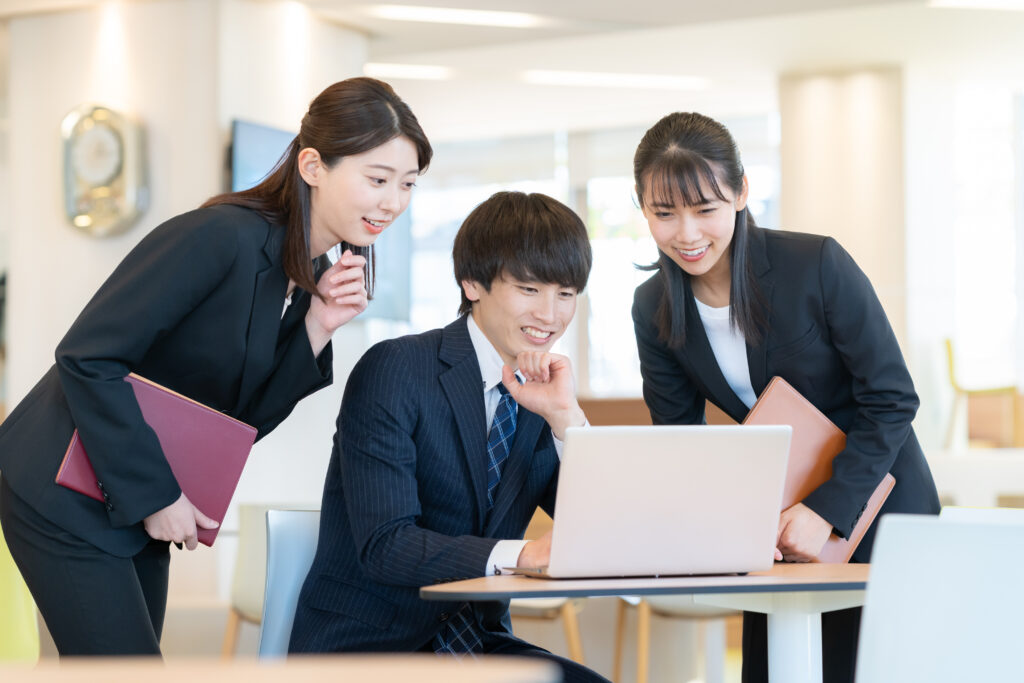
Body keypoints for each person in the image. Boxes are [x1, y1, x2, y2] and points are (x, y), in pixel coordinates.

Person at [0, 77, 432, 657]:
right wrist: (157, 496)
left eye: (407, 185)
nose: (392, 202)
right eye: (377, 180)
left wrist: (318, 325)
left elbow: (239, 423)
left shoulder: (303, 276)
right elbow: (87, 357)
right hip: (57, 485)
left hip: (128, 494)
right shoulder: (218, 237)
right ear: (312, 165)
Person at [629, 112, 940, 683]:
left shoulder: (815, 263)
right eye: (664, 213)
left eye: (705, 209)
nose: (687, 234)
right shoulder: (653, 308)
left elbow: (892, 397)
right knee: (778, 669)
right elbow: (681, 439)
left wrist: (826, 510)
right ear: (643, 209)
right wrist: (731, 531)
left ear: (742, 193)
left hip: (877, 502)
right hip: (776, 528)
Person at [290, 191, 609, 683]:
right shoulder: (397, 368)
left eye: (566, 294)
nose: (550, 315)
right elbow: (386, 544)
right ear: (472, 282)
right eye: (529, 289)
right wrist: (521, 555)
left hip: (477, 645)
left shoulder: (539, 394)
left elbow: (605, 527)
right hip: (367, 650)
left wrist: (567, 421)